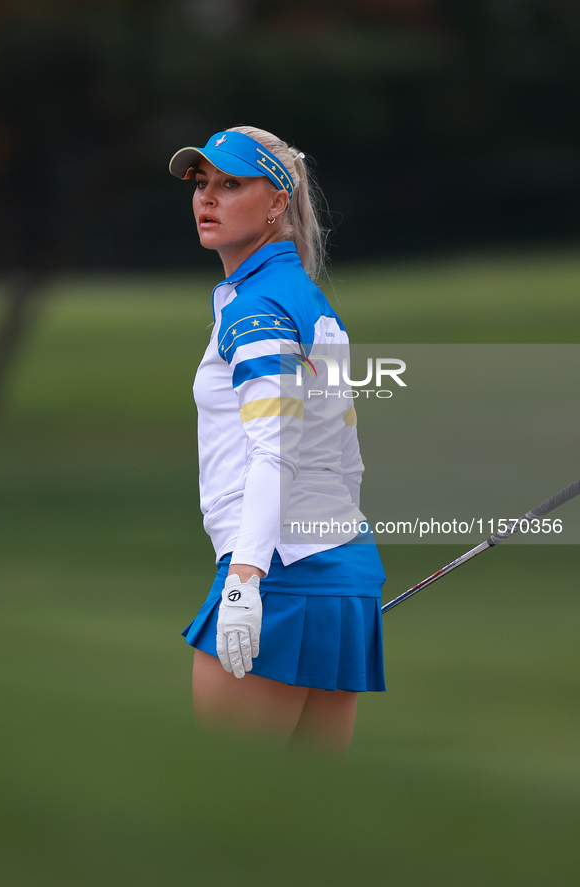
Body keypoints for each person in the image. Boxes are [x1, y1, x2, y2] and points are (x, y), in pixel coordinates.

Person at [169, 126, 386, 753]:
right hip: (340, 573)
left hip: (274, 577)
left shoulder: (257, 309)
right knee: (309, 832)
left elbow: (275, 452)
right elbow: (346, 457)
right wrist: (339, 585)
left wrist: (244, 581)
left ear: (276, 204)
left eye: (231, 184)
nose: (208, 197)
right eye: (202, 183)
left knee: (231, 820)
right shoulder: (306, 299)